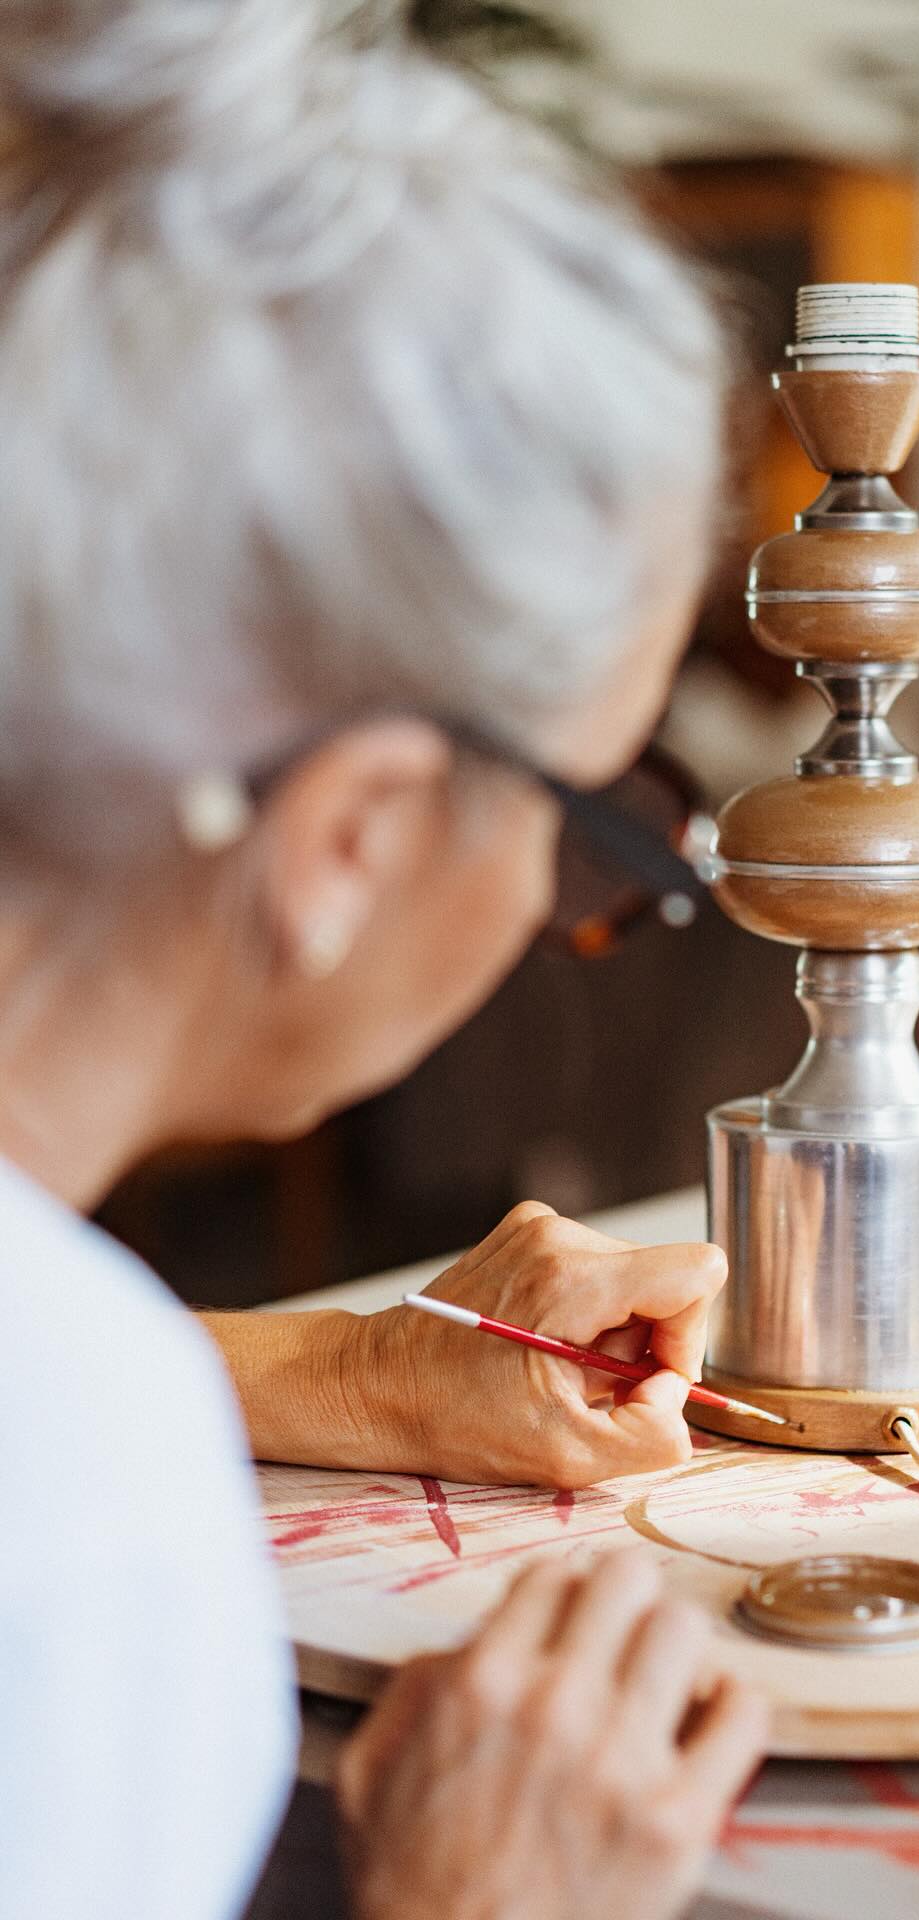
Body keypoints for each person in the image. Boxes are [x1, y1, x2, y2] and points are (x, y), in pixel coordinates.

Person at [0, 3, 767, 1917]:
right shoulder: (79, 1517)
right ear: (346, 836)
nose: (554, 907)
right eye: (588, 818)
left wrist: (347, 1369)